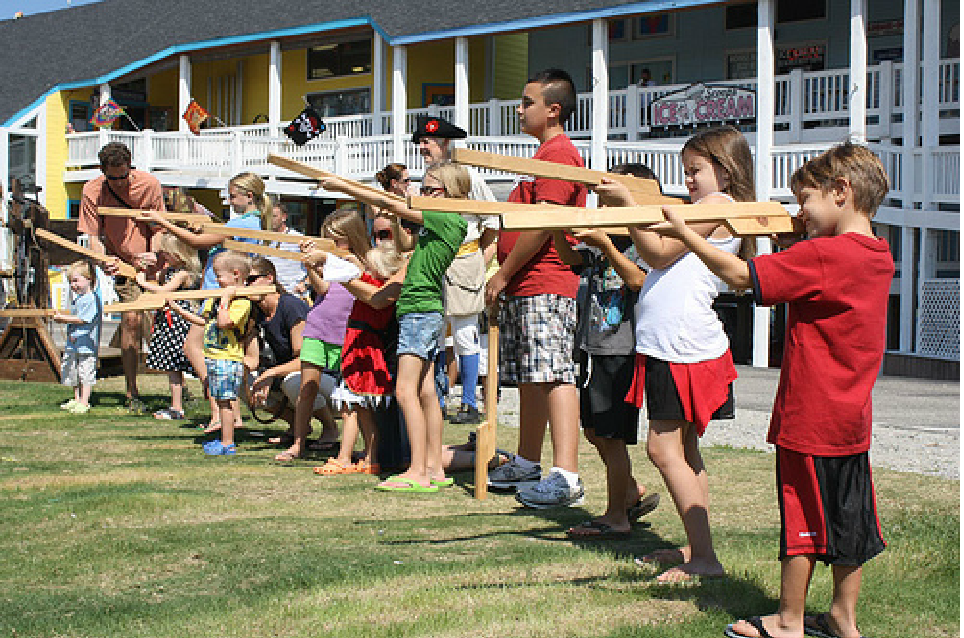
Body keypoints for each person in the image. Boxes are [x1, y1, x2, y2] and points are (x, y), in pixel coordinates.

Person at [655, 143, 892, 638]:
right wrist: (788, 226)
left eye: (804, 199)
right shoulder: (877, 254)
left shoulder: (825, 255)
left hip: (810, 417)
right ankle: (843, 618)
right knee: (849, 520)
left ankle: (787, 620)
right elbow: (801, 270)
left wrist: (686, 233)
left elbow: (743, 276)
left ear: (841, 192)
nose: (797, 211)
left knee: (802, 514)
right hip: (851, 420)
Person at [596, 125, 753, 581]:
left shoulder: (717, 205)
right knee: (684, 450)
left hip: (682, 346)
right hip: (674, 344)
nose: (688, 180)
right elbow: (656, 257)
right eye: (686, 171)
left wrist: (628, 207)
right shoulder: (702, 207)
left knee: (662, 450)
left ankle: (704, 558)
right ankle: (695, 546)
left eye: (696, 170)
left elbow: (660, 254)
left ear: (725, 170)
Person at [319, 162, 468, 492]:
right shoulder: (445, 221)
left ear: (451, 193)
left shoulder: (445, 217)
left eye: (431, 190)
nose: (423, 194)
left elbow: (391, 205)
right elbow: (403, 245)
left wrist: (343, 187)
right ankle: (433, 469)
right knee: (427, 392)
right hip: (424, 311)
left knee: (405, 390)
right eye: (424, 189)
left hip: (418, 311)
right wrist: (401, 212)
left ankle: (417, 470)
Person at [484, 68, 586, 509]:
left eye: (527, 102)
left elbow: (543, 223)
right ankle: (528, 462)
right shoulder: (537, 158)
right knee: (531, 375)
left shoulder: (559, 155)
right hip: (525, 283)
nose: (520, 109)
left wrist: (503, 273)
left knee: (553, 373)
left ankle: (566, 473)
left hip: (546, 279)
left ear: (553, 109)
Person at [555, 164, 662, 539]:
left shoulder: (643, 241)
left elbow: (637, 280)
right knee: (594, 429)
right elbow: (571, 260)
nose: (601, 211)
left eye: (609, 203)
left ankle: (617, 516)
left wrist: (604, 244)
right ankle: (630, 491)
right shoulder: (606, 240)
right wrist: (554, 224)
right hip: (594, 347)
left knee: (613, 437)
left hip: (622, 351)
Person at [143, 171, 268, 432]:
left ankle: (219, 409)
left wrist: (161, 221)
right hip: (214, 294)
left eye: (233, 196)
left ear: (249, 196)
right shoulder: (244, 223)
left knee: (197, 350)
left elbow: (195, 241)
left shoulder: (246, 224)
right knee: (208, 352)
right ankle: (228, 414)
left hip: (220, 295)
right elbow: (207, 236)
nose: (229, 201)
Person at [412, 116, 498, 424]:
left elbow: (490, 222)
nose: (423, 147)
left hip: (464, 258)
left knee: (465, 334)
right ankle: (436, 396)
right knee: (434, 333)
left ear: (445, 143)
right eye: (421, 141)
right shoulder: (425, 177)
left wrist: (480, 261)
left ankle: (470, 402)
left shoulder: (469, 177)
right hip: (434, 259)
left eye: (428, 141)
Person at [78, 141, 165, 413]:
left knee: (161, 324)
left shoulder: (149, 184)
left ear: (130, 168)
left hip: (152, 265)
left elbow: (160, 227)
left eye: (123, 176)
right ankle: (131, 389)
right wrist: (105, 260)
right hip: (124, 266)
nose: (117, 183)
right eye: (112, 177)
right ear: (103, 171)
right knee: (130, 319)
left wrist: (154, 255)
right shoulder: (92, 190)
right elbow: (94, 236)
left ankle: (178, 384)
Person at [305, 242, 406, 476]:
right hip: (360, 346)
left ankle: (344, 457)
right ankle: (370, 458)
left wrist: (329, 259)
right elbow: (355, 273)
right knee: (361, 409)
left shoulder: (379, 288)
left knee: (351, 406)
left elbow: (355, 279)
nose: (367, 272)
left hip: (364, 350)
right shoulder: (376, 284)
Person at [271, 210, 363, 461]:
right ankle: (299, 444)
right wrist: (310, 266)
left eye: (338, 239)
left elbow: (359, 274)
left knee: (350, 394)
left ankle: (349, 448)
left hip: (345, 331)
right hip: (318, 326)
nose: (334, 244)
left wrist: (331, 259)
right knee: (306, 387)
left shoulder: (358, 261)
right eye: (329, 238)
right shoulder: (329, 260)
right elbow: (322, 288)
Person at [168, 251, 253, 456]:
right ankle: (225, 439)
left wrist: (225, 300)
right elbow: (207, 322)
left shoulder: (241, 302)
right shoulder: (216, 299)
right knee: (219, 399)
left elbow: (224, 322)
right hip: (214, 357)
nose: (216, 279)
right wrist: (178, 310)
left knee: (225, 403)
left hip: (227, 358)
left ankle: (227, 442)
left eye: (219, 275)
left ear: (236, 274)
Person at [244, 258, 314, 450]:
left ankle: (329, 428)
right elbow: (252, 359)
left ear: (269, 278)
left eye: (251, 280)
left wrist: (270, 374)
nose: (246, 286)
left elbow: (306, 359)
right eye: (244, 281)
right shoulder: (254, 313)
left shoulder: (290, 305)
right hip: (281, 374)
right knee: (236, 379)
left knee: (293, 382)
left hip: (315, 375)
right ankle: (298, 426)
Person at [139, 233, 202, 420]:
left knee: (178, 362)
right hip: (166, 320)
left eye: (167, 253)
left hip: (177, 321)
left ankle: (182, 405)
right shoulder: (169, 271)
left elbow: (164, 290)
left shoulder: (183, 274)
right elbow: (157, 279)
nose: (164, 256)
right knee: (171, 366)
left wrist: (142, 282)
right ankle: (176, 405)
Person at [53, 261, 102, 415]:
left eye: (76, 281)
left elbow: (84, 319)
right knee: (72, 371)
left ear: (89, 279)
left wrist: (64, 319)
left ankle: (84, 401)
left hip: (86, 345)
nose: (73, 285)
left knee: (85, 372)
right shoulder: (78, 299)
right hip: (74, 343)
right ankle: (76, 398)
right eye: (70, 282)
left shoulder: (91, 298)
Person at [265, 198, 308, 297]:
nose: (271, 220)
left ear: (284, 217)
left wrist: (305, 284)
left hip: (294, 293)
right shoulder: (263, 240)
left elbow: (315, 265)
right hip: (271, 294)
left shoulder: (298, 239)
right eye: (268, 217)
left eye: (274, 216)